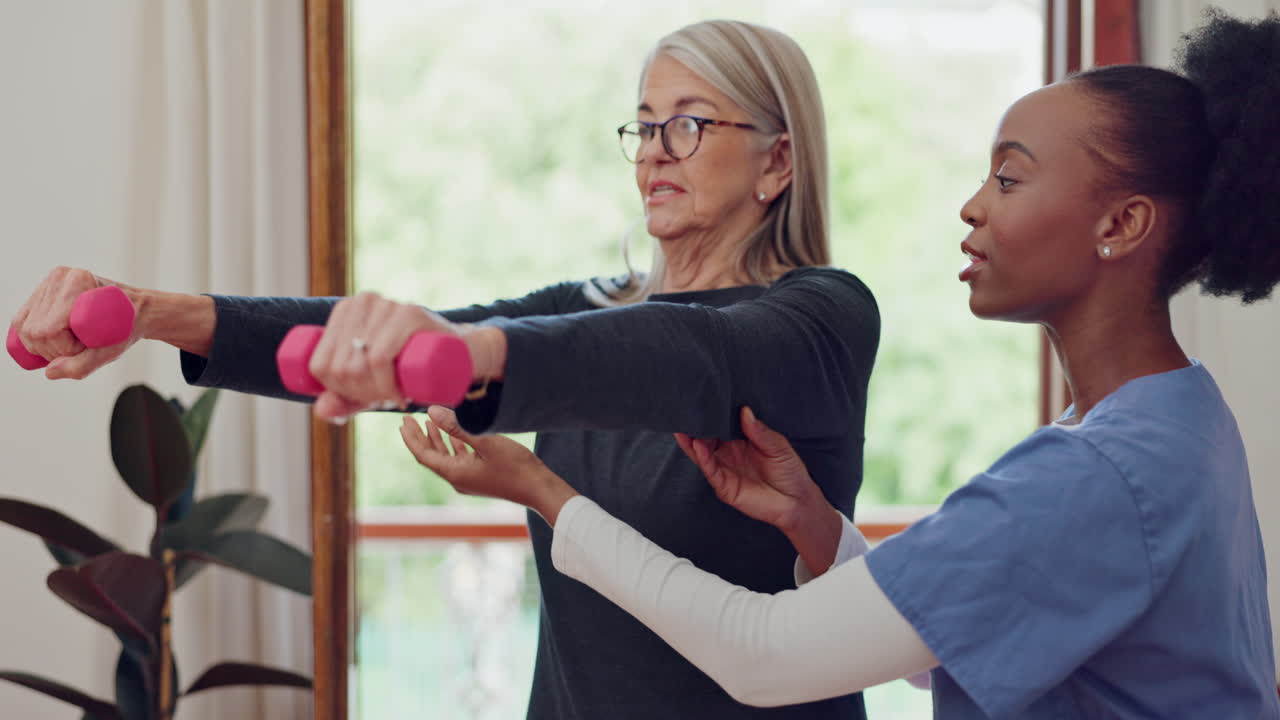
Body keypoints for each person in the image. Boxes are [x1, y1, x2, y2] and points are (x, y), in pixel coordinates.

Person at [399, 9, 1280, 718]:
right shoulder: (1180, 421)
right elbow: (946, 646)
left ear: (1121, 225)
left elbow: (766, 655)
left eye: (1008, 180)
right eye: (647, 126)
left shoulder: (1098, 475)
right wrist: (817, 527)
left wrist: (545, 494)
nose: (971, 207)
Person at [10, 20, 879, 719]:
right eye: (644, 126)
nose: (654, 150)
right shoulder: (589, 307)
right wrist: (154, 313)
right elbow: (381, 336)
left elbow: (681, 355)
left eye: (688, 123)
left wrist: (472, 355)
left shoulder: (821, 318)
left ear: (777, 161)